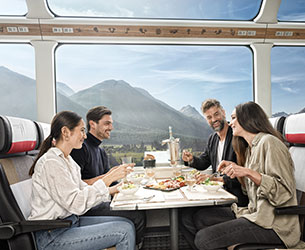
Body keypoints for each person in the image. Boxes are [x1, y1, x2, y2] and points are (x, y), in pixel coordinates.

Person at [193, 101, 302, 250]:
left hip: (275, 225)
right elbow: (248, 192)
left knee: (203, 239)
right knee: (200, 217)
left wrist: (248, 172)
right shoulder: (250, 149)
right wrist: (237, 171)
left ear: (247, 118)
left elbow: (284, 193)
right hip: (254, 214)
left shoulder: (270, 143)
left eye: (233, 118)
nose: (230, 123)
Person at [28, 111, 136, 250]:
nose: (85, 136)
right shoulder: (51, 162)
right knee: (124, 230)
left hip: (70, 223)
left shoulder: (67, 159)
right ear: (66, 132)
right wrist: (109, 178)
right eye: (82, 131)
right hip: (53, 235)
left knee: (127, 223)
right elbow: (76, 204)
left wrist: (111, 189)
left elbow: (82, 188)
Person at [70, 106, 146, 247]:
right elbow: (77, 184)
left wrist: (126, 183)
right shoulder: (80, 149)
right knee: (137, 216)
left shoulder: (100, 151)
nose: (111, 127)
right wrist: (110, 176)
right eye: (107, 123)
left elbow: (108, 182)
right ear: (92, 124)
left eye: (111, 123)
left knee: (138, 209)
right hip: (88, 207)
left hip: (100, 199)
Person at [180, 99, 248, 249]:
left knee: (197, 218)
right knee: (184, 217)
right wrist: (191, 160)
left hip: (235, 198)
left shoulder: (237, 136)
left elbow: (243, 174)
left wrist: (217, 179)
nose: (214, 119)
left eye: (216, 114)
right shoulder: (213, 139)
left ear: (223, 113)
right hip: (217, 193)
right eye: (209, 117)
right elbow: (204, 162)